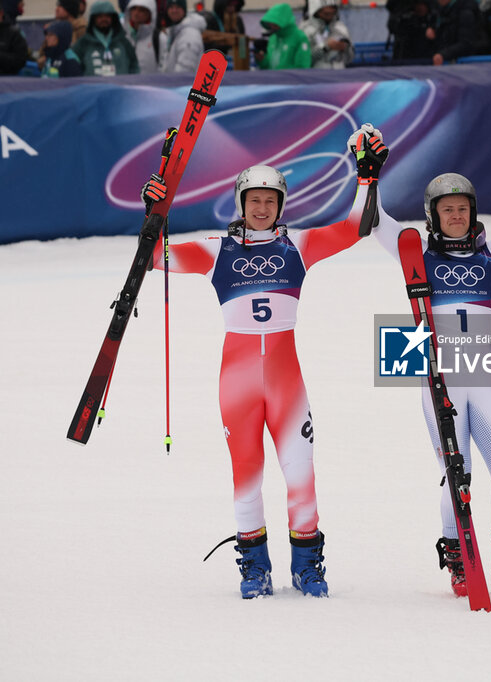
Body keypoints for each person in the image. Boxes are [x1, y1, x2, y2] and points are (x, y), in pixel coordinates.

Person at [138, 150, 375, 599]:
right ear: (241, 203)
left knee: (300, 474)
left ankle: (308, 568)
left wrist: (366, 178)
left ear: (281, 206)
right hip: (238, 385)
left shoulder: (298, 245)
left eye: (270, 200)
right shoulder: (217, 248)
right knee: (246, 476)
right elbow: (153, 257)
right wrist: (152, 211)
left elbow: (354, 229)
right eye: (254, 200)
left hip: (287, 384)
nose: (261, 208)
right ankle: (254, 569)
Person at [355, 123, 491, 600]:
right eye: (448, 210)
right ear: (432, 215)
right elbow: (371, 224)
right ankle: (461, 565)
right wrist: (367, 178)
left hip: (484, 378)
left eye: (463, 209)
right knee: (454, 473)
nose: (457, 216)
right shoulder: (414, 251)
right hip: (437, 379)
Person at [71, 0, 139, 75]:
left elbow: (134, 65)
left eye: (107, 16)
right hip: (93, 86)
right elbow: (73, 67)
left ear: (113, 18)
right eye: (100, 16)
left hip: (120, 86)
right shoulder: (83, 43)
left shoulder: (123, 41)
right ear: (93, 19)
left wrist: (132, 82)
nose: (104, 19)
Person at [428, 0, 486, 65]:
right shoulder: (443, 10)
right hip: (450, 62)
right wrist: (432, 29)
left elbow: (467, 43)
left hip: (469, 65)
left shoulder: (466, 11)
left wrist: (443, 55)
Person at [255, 2, 311, 69]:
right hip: (271, 78)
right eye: (270, 24)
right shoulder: (273, 37)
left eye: (275, 24)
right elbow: (268, 65)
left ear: (284, 21)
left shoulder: (300, 37)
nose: (272, 27)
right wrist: (262, 60)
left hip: (290, 79)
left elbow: (302, 67)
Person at [299, 0, 354, 68]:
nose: (330, 15)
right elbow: (304, 59)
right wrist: (325, 47)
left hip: (340, 75)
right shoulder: (305, 30)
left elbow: (349, 59)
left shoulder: (341, 28)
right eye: (326, 13)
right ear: (316, 11)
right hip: (315, 75)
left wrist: (345, 48)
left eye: (333, 12)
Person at [157, 0, 204, 73]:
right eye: (171, 7)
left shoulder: (190, 34)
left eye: (178, 7)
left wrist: (172, 83)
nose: (174, 10)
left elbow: (185, 69)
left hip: (183, 83)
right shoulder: (175, 31)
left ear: (184, 10)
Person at [123, 0, 157, 73]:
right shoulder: (123, 36)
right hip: (126, 83)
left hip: (151, 83)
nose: (136, 13)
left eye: (142, 10)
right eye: (134, 8)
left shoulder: (158, 38)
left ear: (150, 13)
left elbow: (164, 67)